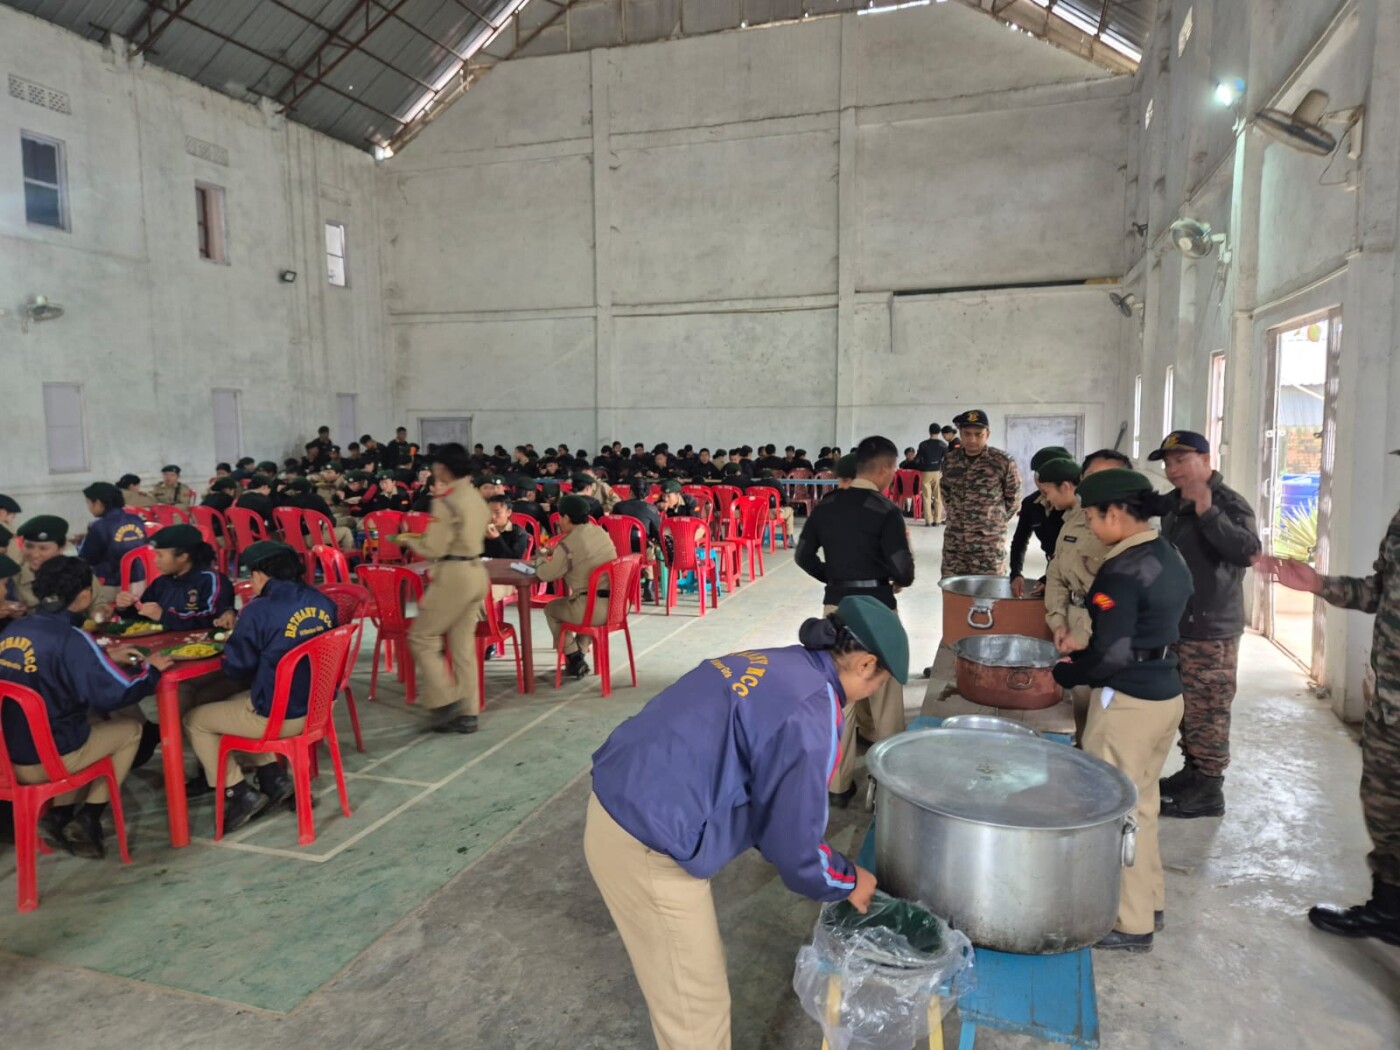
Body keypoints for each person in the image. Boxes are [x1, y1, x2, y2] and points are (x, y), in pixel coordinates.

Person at [586, 596, 904, 1048]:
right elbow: (794, 846)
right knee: (695, 1009)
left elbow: (764, 795)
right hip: (644, 840)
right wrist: (848, 880)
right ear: (866, 663)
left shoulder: (784, 662)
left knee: (690, 985)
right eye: (880, 683)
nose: (873, 693)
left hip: (626, 794)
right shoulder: (811, 711)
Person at [1051, 469, 1193, 953]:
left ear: (1115, 513)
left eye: (1092, 517)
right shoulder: (1166, 553)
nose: (1090, 527)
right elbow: (1149, 625)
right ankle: (1149, 902)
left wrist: (1069, 672)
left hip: (1128, 705)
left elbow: (1111, 655)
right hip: (1165, 694)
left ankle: (1129, 924)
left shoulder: (1120, 570)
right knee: (1143, 806)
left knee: (1115, 816)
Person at [1258, 473, 1400, 946]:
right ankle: (1390, 909)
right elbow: (1379, 592)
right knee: (1384, 809)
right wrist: (1320, 584)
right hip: (1390, 708)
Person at [0, 557, 172, 857]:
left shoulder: (14, 630)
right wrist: (152, 670)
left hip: (7, 760)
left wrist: (101, 656)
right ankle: (90, 817)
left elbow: (51, 663)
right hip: (47, 761)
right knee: (130, 730)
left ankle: (59, 816)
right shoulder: (72, 638)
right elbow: (117, 694)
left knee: (87, 725)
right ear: (83, 596)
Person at [795, 435, 915, 808]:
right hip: (878, 608)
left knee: (841, 695)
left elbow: (803, 556)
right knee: (885, 698)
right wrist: (892, 578)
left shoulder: (826, 506)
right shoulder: (886, 510)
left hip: (838, 610)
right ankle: (889, 789)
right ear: (885, 469)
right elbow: (903, 570)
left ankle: (837, 787)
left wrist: (834, 577)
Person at [180, 541, 335, 828]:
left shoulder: (258, 610)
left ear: (261, 575)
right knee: (230, 703)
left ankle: (238, 792)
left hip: (281, 716)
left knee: (195, 720)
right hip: (318, 707)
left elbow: (237, 667)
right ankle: (272, 778)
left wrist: (235, 641)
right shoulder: (322, 600)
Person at [1150, 431, 1261, 819]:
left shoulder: (1228, 503)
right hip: (1179, 621)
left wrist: (1207, 511)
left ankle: (1210, 789)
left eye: (1181, 460)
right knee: (1189, 708)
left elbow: (1248, 552)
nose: (1172, 469)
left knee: (1209, 711)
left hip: (1212, 629)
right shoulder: (1175, 502)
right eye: (1168, 463)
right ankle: (1193, 773)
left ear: (1206, 459)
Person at [402, 443, 491, 735]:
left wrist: (409, 539)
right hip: (476, 572)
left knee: (421, 636)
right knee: (462, 648)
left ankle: (444, 700)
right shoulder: (476, 498)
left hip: (454, 575)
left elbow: (435, 548)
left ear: (442, 468)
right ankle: (468, 713)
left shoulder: (447, 501)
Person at [1042, 450, 1129, 740]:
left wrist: (1085, 633)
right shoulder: (1077, 518)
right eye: (1091, 477)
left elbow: (1117, 601)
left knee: (1105, 728)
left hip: (1108, 635)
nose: (1099, 485)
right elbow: (1057, 572)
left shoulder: (1132, 531)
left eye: (1109, 477)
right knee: (1079, 714)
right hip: (1074, 625)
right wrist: (1057, 620)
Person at [535, 495, 616, 681]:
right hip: (616, 605)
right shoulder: (600, 532)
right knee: (583, 606)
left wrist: (540, 558)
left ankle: (573, 656)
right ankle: (579, 654)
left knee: (552, 610)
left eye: (560, 517)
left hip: (591, 609)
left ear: (566, 517)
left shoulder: (568, 544)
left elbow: (546, 574)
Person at [939, 410, 1021, 577]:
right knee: (953, 589)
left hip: (988, 544)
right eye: (967, 434)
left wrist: (992, 521)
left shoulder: (1002, 461)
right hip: (956, 544)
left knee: (990, 590)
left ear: (987, 434)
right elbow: (946, 492)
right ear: (960, 434)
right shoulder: (950, 460)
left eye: (978, 434)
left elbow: (1013, 498)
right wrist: (957, 516)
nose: (972, 439)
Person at [115, 524, 235, 632]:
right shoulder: (161, 582)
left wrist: (164, 616)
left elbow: (213, 617)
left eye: (160, 555)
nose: (155, 560)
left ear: (183, 557)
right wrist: (125, 608)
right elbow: (142, 617)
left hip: (198, 645)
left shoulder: (211, 580)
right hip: (163, 645)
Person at [1009, 445, 1073, 597]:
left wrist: (1048, 578)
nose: (1042, 483)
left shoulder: (1078, 506)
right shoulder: (1031, 504)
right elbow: (1019, 541)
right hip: (1053, 566)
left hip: (1074, 570)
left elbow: (1075, 551)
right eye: (1039, 476)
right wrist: (1016, 573)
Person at [76, 483, 151, 609]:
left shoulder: (99, 526)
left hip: (113, 587)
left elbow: (86, 559)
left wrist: (79, 544)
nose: (88, 507)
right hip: (142, 582)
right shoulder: (136, 519)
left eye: (88, 502)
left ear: (98, 503)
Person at [13, 516, 69, 612]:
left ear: (62, 548)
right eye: (29, 546)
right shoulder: (12, 579)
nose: (35, 555)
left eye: (43, 548)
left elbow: (95, 607)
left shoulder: (79, 575)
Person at [914, 423, 948, 527]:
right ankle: (937, 520)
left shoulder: (923, 444)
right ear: (939, 432)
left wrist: (921, 467)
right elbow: (946, 459)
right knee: (938, 497)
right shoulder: (943, 445)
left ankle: (928, 521)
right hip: (937, 472)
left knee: (926, 497)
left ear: (929, 431)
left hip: (926, 472)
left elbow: (917, 460)